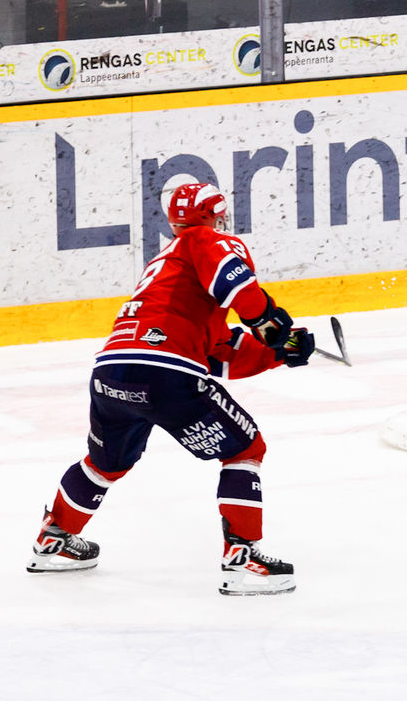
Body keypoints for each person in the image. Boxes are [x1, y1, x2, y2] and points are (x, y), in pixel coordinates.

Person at [27, 183, 315, 595]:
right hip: (165, 374)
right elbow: (238, 291)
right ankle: (243, 557)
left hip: (111, 374)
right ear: (215, 217)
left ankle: (54, 540)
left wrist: (278, 352)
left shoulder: (163, 268)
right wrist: (270, 324)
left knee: (104, 463)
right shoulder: (204, 240)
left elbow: (215, 352)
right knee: (244, 450)